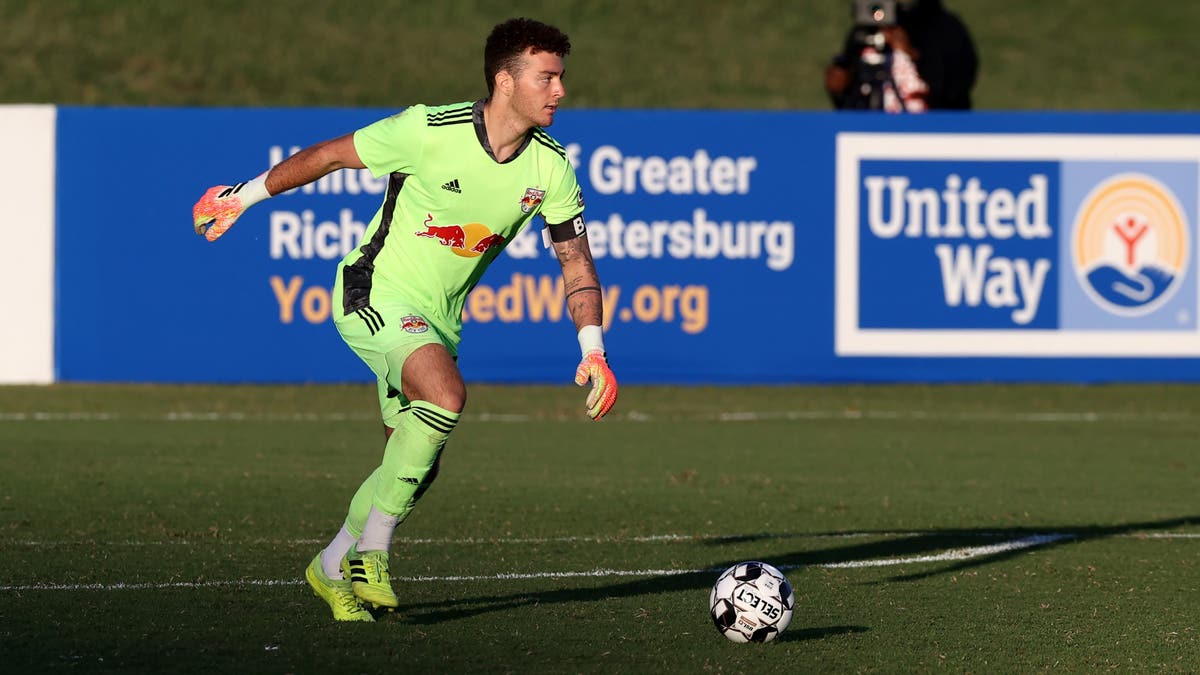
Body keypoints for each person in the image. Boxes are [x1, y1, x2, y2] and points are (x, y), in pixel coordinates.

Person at [191, 17, 618, 622]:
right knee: (445, 394)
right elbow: (329, 156)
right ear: (505, 81)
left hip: (440, 320)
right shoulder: (426, 128)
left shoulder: (551, 168)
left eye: (561, 78)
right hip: (372, 292)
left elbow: (576, 260)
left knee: (415, 463)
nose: (560, 91)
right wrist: (245, 195)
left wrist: (593, 349)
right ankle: (373, 552)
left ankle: (332, 565)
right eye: (547, 78)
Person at [824, 0, 977, 112]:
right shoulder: (865, 31)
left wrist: (913, 56)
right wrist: (839, 90)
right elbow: (850, 99)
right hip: (872, 135)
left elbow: (956, 88)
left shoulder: (945, 29)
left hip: (930, 134)